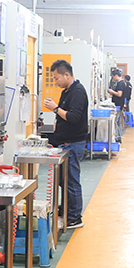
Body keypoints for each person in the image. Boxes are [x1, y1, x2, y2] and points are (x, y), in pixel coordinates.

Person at [43, 59, 89, 230]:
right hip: (64, 143)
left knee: (71, 181)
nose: (56, 82)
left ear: (67, 75)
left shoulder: (78, 92)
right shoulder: (67, 92)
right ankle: (67, 210)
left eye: (57, 78)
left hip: (73, 144)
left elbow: (73, 117)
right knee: (64, 180)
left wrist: (55, 108)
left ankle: (75, 217)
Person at [108, 69, 126, 142]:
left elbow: (119, 94)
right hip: (119, 104)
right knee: (118, 122)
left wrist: (111, 91)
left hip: (118, 105)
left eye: (113, 77)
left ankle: (117, 137)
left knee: (116, 122)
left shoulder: (120, 83)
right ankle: (118, 137)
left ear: (116, 75)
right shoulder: (121, 82)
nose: (113, 79)